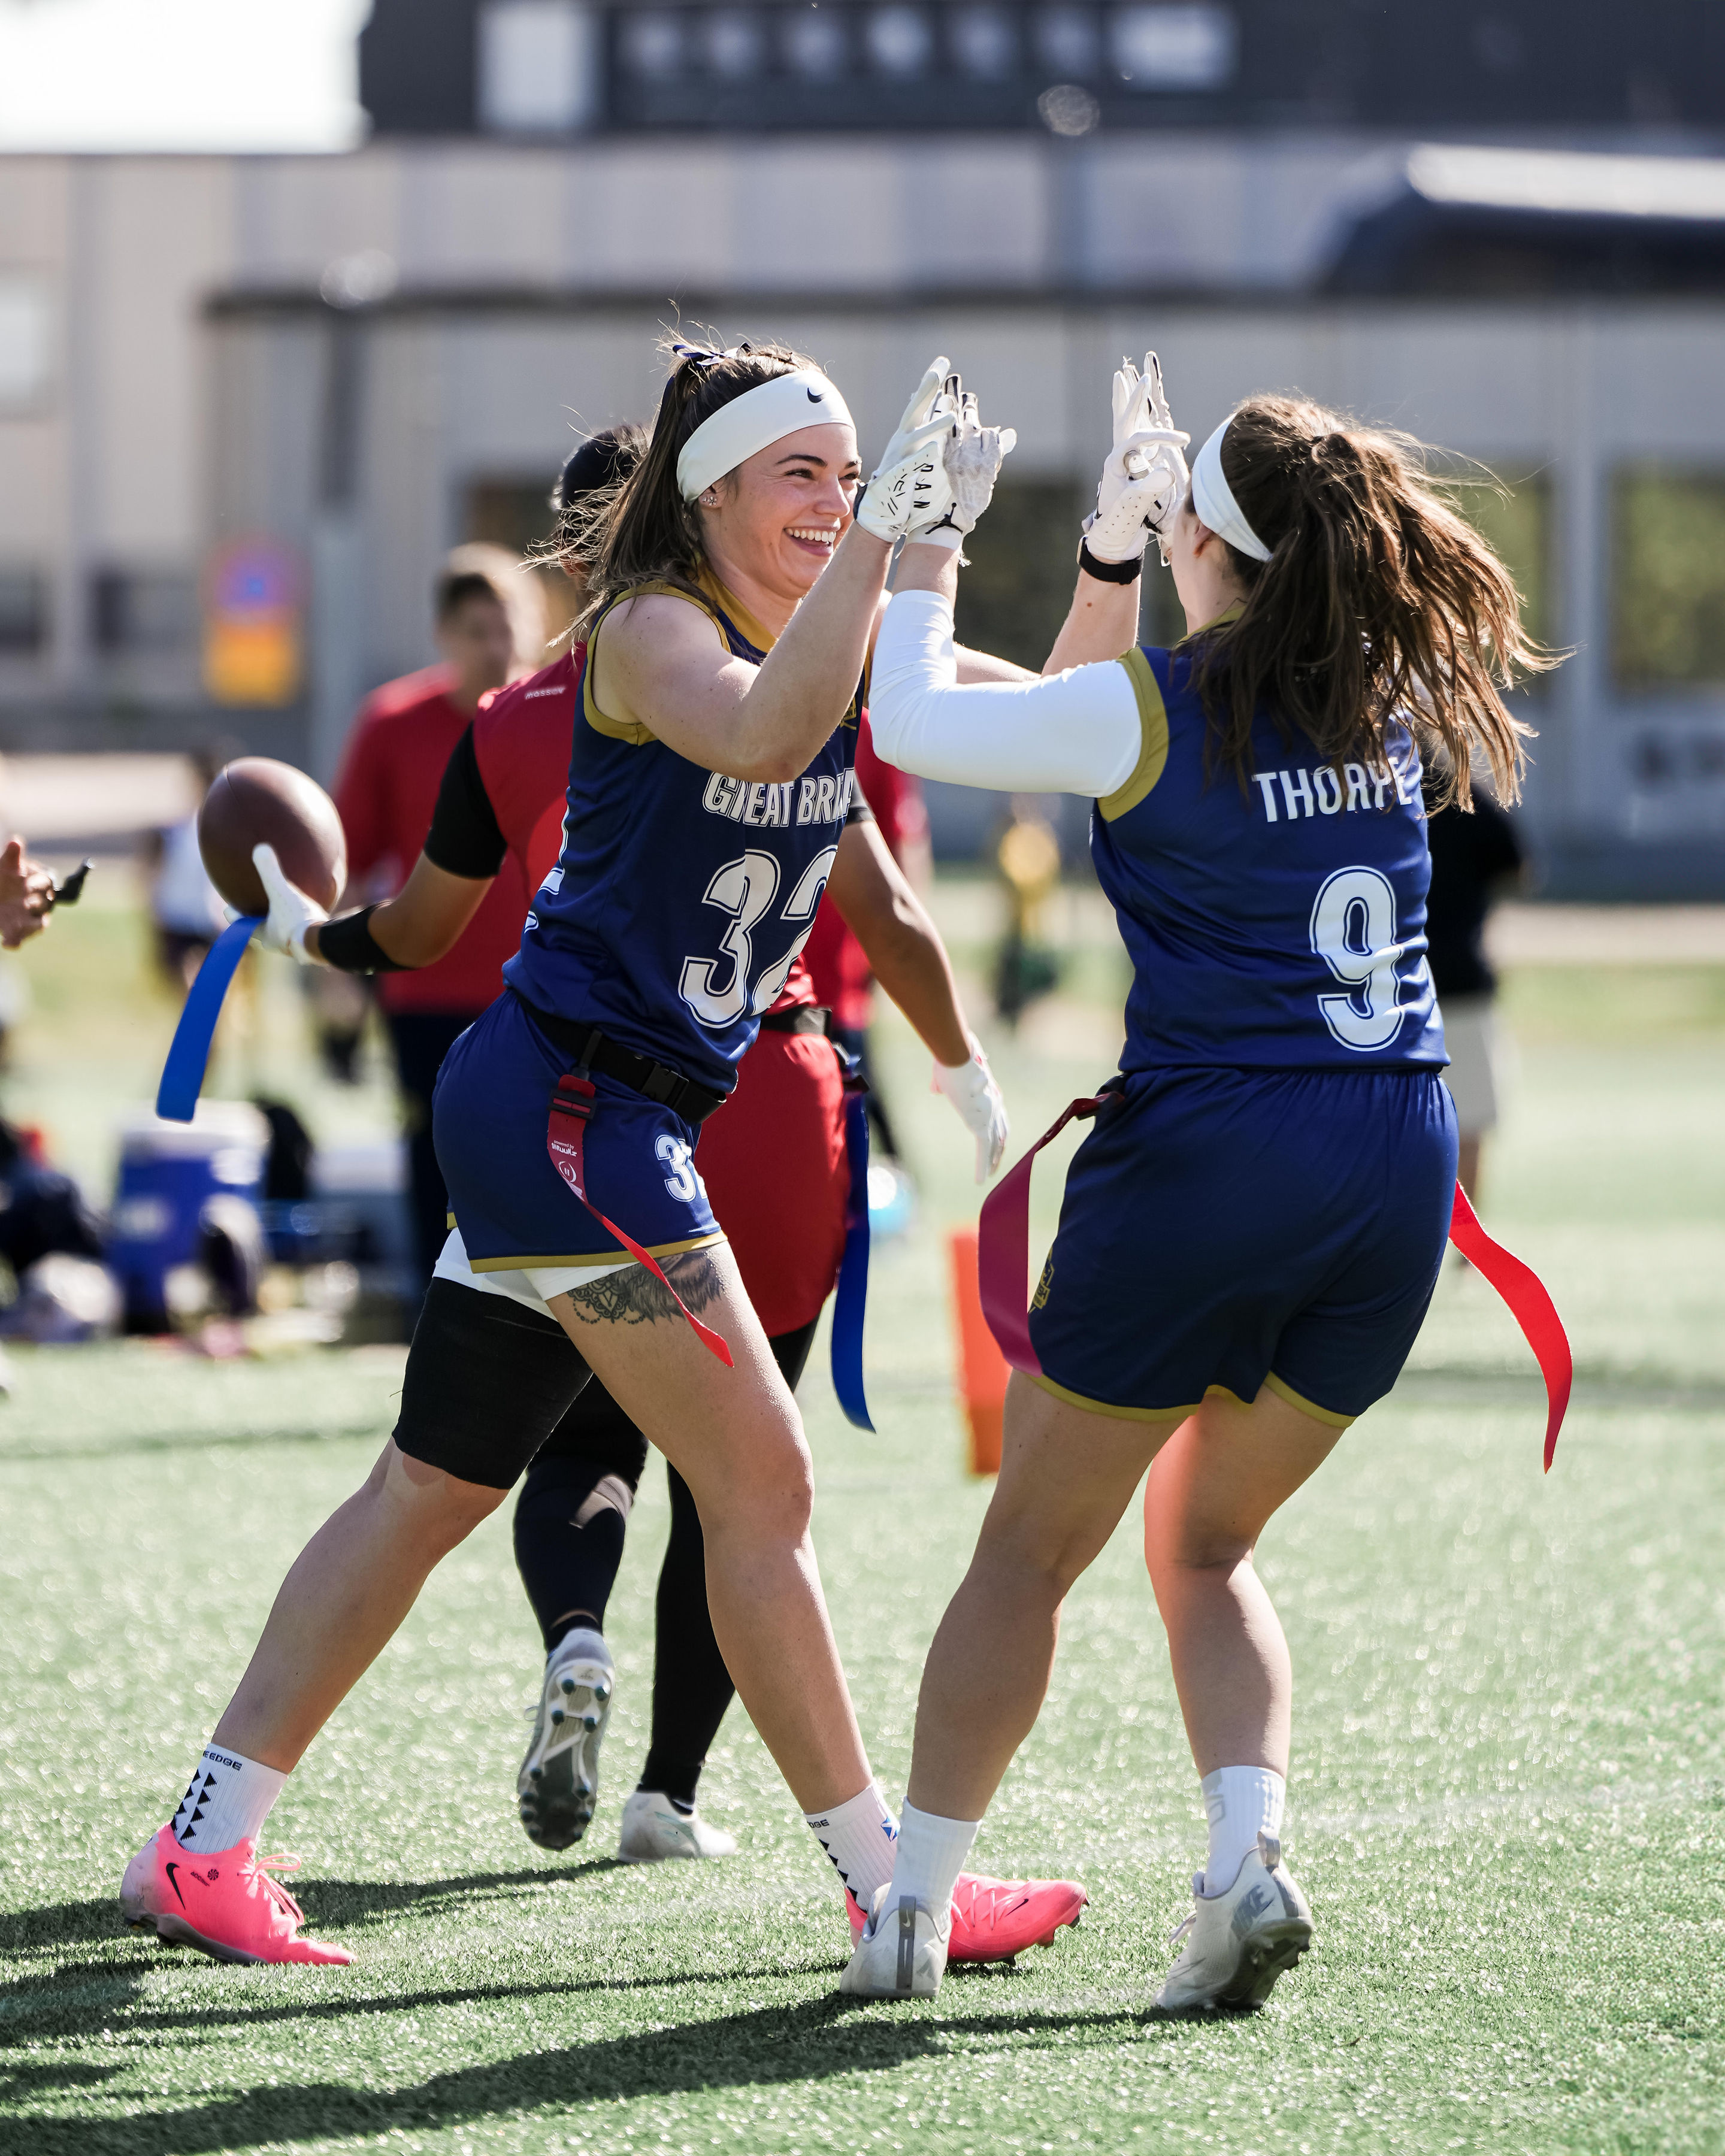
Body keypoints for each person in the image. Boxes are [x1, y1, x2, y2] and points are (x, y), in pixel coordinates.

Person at [119, 341, 1081, 1972]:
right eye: (807, 471)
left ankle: (198, 1845)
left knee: (428, 1487)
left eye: (855, 473)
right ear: (705, 492)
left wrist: (1074, 563)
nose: (836, 501)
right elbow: (769, 739)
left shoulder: (821, 628)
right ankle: (892, 1887)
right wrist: (880, 553)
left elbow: (1052, 721)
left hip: (573, 1111)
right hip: (576, 1110)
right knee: (761, 1482)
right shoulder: (653, 630)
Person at [839, 356, 1553, 2004]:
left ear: (1202, 541)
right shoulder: (1369, 698)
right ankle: (1245, 1860)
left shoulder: (1156, 702)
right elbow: (1067, 732)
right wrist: (1118, 564)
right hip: (1392, 1154)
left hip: (1214, 1146)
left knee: (1028, 1553)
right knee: (1209, 1544)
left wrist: (932, 542)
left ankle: (912, 1913)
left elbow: (921, 722)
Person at [332, 547, 543, 1298]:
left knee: (537, 1148)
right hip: (424, 986)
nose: (496, 647)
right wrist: (340, 980)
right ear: (443, 635)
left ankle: (536, 1303)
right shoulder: (392, 724)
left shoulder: (555, 717)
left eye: (507, 627)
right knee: (436, 1144)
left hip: (536, 985)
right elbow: (351, 860)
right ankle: (439, 1302)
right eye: (477, 630)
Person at [1423, 763, 1526, 1205]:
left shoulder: (1373, 798)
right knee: (1470, 1118)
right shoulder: (1467, 796)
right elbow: (1518, 868)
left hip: (1393, 985)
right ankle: (1468, 1246)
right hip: (1462, 974)